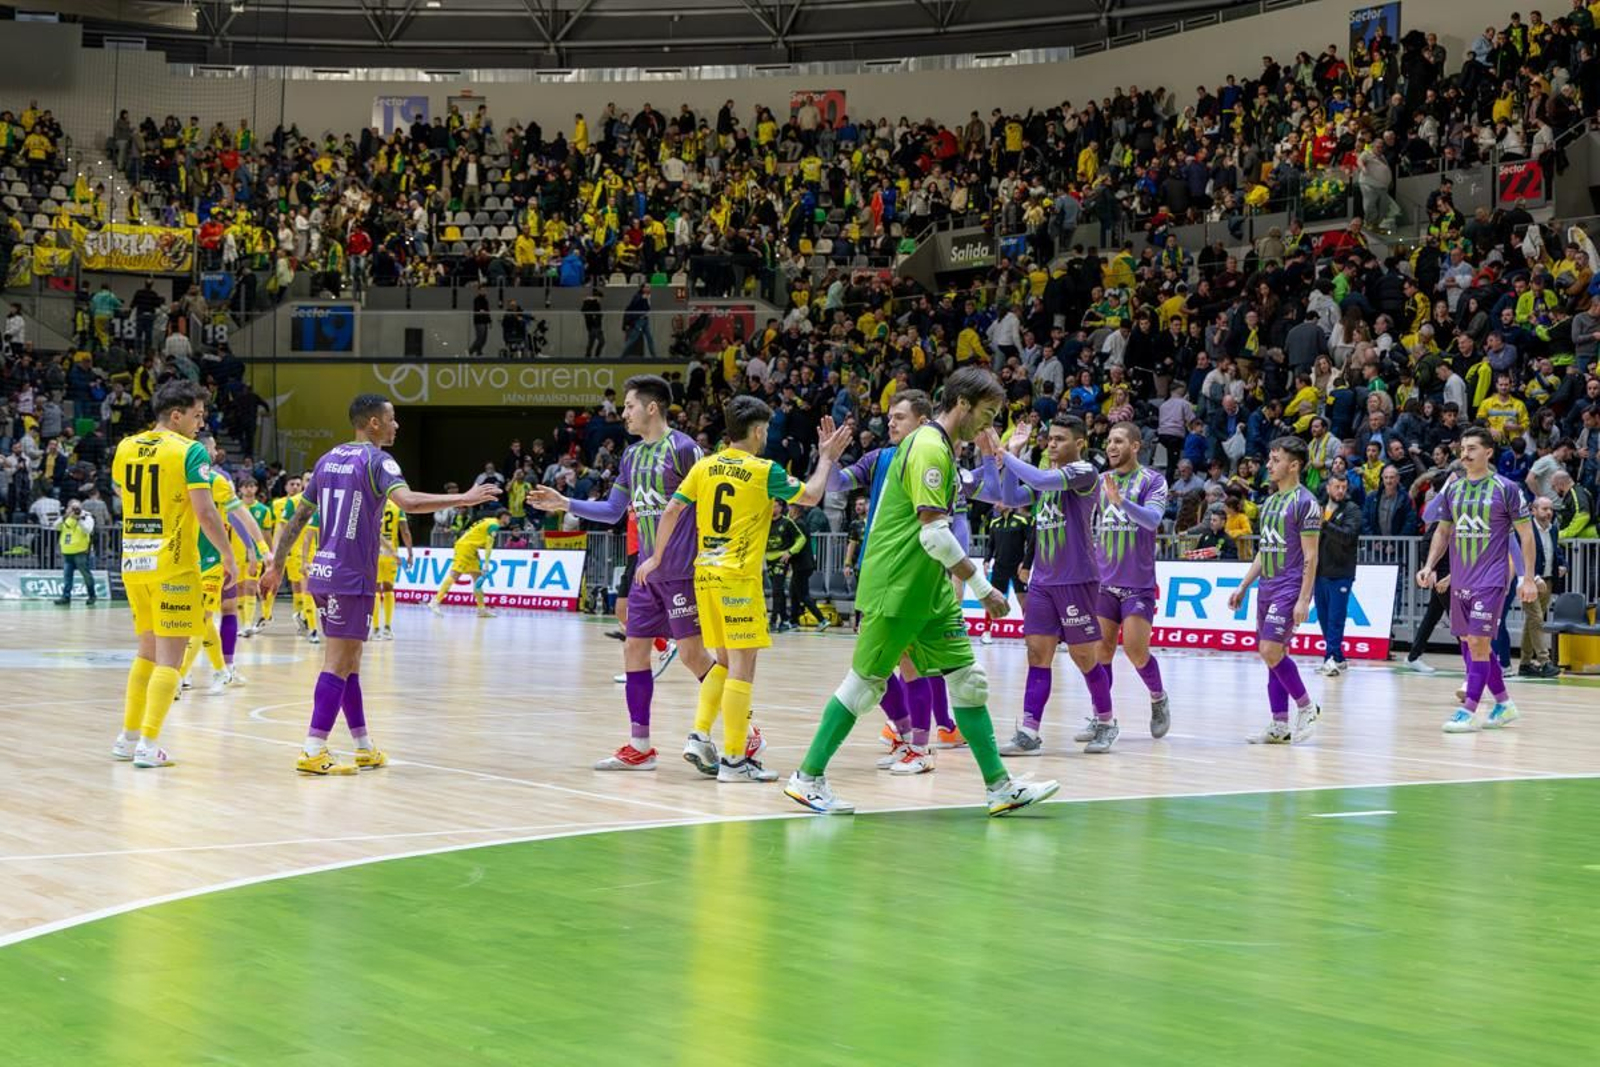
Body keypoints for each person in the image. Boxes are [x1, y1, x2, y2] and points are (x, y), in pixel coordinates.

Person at [784, 367, 1059, 816]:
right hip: (898, 585)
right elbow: (933, 535)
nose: (988, 425)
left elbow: (982, 497)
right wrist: (984, 587)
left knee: (968, 682)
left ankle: (999, 787)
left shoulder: (945, 450)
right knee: (865, 685)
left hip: (929, 590)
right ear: (963, 405)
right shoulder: (929, 447)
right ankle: (808, 777)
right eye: (987, 414)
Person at [262, 394, 500, 775]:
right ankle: (312, 748)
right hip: (349, 575)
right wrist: (464, 498)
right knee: (338, 663)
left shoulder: (328, 459)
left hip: (324, 573)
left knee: (350, 662)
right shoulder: (377, 459)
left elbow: (301, 516)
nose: (397, 425)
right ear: (373, 423)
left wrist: (276, 564)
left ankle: (363, 746)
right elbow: (407, 502)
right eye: (392, 418)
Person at [529, 375, 742, 774]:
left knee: (694, 656)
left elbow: (711, 506)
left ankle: (743, 728)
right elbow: (612, 511)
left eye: (628, 406)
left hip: (682, 571)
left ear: (651, 407)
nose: (622, 413)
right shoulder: (630, 457)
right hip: (646, 570)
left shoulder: (684, 449)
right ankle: (640, 746)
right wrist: (565, 502)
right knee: (633, 649)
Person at [637, 396, 849, 783]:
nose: (767, 436)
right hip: (738, 578)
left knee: (722, 662)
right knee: (742, 668)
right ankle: (734, 759)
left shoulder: (705, 466)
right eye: (766, 430)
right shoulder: (762, 469)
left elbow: (671, 510)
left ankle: (701, 735)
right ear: (755, 431)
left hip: (705, 576)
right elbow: (813, 495)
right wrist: (826, 458)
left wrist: (655, 557)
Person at [109, 380, 236, 769]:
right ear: (176, 415)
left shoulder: (125, 446)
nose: (201, 423)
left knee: (145, 653)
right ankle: (148, 745)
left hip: (134, 563)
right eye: (197, 415)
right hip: (175, 566)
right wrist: (229, 556)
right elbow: (205, 512)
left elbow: (121, 494)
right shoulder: (190, 451)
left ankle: (127, 739)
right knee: (170, 659)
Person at [988, 414, 1117, 755]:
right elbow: (1010, 497)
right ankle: (1029, 732)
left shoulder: (1084, 472)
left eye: (1060, 439)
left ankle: (1106, 721)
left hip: (1077, 578)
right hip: (1044, 580)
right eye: (1050, 438)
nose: (1053, 444)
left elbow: (1042, 480)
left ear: (1079, 443)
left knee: (1083, 655)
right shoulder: (1047, 478)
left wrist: (1008, 454)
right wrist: (1012, 453)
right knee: (1037, 653)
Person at [1418, 427, 1538, 732]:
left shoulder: (1506, 488)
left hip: (1492, 578)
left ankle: (1469, 711)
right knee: (1470, 645)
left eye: (1472, 448)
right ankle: (1504, 704)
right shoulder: (1454, 491)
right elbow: (1442, 531)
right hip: (1461, 579)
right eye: (1462, 448)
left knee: (1478, 641)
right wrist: (1430, 565)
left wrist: (1526, 578)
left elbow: (1526, 535)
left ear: (1488, 452)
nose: (1465, 454)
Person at [1226, 437, 1322, 744]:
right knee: (1273, 655)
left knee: (1270, 649)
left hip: (1289, 587)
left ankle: (1306, 707)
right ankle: (1279, 724)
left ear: (1293, 465)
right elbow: (1263, 550)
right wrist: (1243, 585)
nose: (1268, 464)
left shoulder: (1305, 502)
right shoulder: (1270, 502)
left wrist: (1304, 599)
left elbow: (1311, 555)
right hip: (1266, 587)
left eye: (1275, 459)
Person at [1091, 422, 1172, 738]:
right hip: (1103, 581)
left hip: (1137, 583)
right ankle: (1102, 716)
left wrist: (1121, 502)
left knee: (1136, 651)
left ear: (1135, 446)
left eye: (1119, 441)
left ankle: (1158, 697)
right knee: (1102, 651)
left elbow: (1152, 520)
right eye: (1109, 440)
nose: (1111, 446)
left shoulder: (1153, 480)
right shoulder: (1099, 482)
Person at [1315, 473, 1362, 675]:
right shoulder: (1319, 508)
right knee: (1324, 618)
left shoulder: (1352, 510)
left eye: (1344, 487)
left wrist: (1324, 525)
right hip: (1319, 572)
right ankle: (1339, 658)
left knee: (1336, 618)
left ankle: (1331, 658)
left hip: (1341, 572)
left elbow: (1348, 537)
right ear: (1328, 488)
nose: (1341, 490)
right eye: (1337, 487)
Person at [429, 509, 510, 618]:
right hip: (465, 548)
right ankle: (435, 601)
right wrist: (486, 563)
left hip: (472, 549)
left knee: (477, 579)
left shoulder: (489, 520)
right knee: (455, 574)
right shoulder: (494, 525)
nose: (509, 520)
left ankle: (481, 609)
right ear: (503, 517)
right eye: (508, 517)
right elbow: (489, 545)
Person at [1521, 495, 1564, 678]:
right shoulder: (1526, 529)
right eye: (1544, 509)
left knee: (1532, 621)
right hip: (1529, 580)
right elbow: (1520, 555)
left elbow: (1555, 550)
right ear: (1533, 510)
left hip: (1547, 581)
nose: (1548, 513)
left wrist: (1563, 564)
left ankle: (1524, 664)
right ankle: (1545, 661)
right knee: (1537, 619)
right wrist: (1532, 577)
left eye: (1550, 509)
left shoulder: (1552, 529)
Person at [981, 503, 1031, 646]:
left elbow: (1030, 544)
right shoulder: (995, 523)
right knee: (993, 600)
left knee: (1023, 600)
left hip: (1017, 568)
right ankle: (986, 631)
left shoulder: (1022, 521)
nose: (995, 505)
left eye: (999, 501)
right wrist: (986, 561)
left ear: (1009, 502)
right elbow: (990, 545)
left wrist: (1024, 563)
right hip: (999, 567)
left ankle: (1028, 633)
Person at [374, 495, 413, 640]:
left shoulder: (373, 504)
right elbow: (405, 532)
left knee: (376, 590)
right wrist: (410, 553)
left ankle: (376, 629)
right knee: (389, 589)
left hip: (374, 553)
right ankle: (388, 628)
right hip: (391, 554)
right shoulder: (397, 507)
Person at [54, 498, 96, 605]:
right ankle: (65, 597)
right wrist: (65, 516)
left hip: (80, 552)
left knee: (86, 575)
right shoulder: (65, 518)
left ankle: (92, 595)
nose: (74, 510)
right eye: (72, 508)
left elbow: (88, 530)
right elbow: (55, 526)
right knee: (67, 576)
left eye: (77, 508)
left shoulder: (86, 517)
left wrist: (79, 519)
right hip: (67, 552)